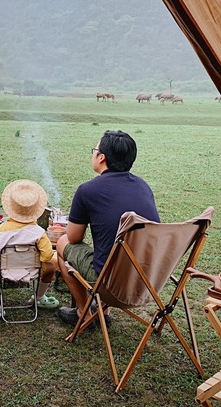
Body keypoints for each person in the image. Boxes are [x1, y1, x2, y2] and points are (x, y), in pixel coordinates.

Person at [56, 130, 159, 328]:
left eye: (94, 150)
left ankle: (84, 313)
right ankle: (103, 310)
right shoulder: (144, 186)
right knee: (114, 249)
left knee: (62, 243)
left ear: (101, 157)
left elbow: (74, 237)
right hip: (148, 281)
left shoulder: (87, 190)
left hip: (111, 285)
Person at [0, 179, 60, 319]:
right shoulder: (38, 232)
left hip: (2, 272)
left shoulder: (3, 229)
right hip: (33, 273)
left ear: (11, 207)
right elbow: (47, 256)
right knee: (49, 268)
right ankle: (39, 298)